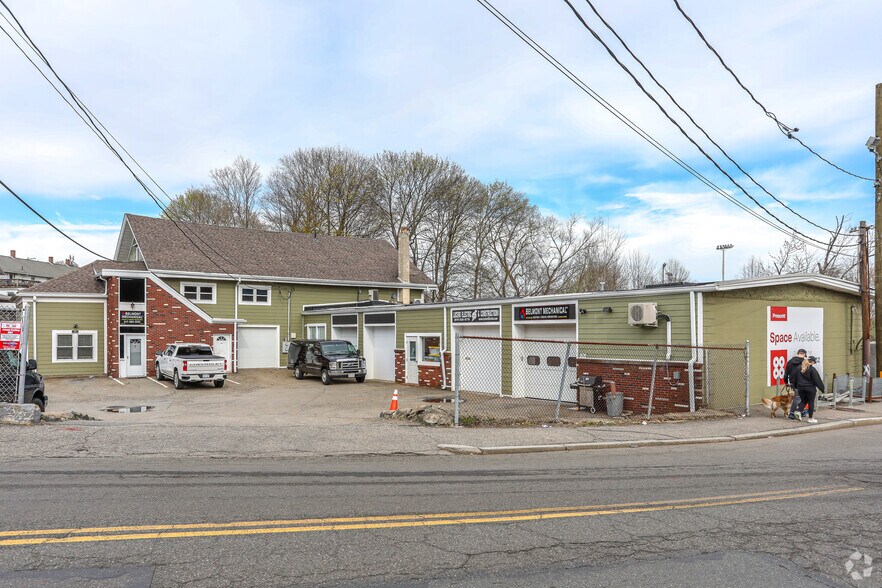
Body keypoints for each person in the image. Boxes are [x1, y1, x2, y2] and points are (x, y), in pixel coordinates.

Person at [794, 356, 824, 424]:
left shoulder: (799, 368)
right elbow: (817, 380)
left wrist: (796, 386)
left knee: (804, 401)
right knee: (811, 402)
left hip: (800, 388)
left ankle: (798, 412)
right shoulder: (812, 369)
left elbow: (795, 378)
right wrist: (822, 388)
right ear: (812, 362)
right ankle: (810, 418)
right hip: (810, 388)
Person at [785, 349, 807, 420]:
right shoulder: (804, 362)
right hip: (802, 383)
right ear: (804, 355)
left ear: (797, 353)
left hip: (793, 383)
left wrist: (786, 382)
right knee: (798, 397)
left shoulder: (790, 362)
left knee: (800, 397)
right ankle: (791, 413)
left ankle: (802, 411)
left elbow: (786, 374)